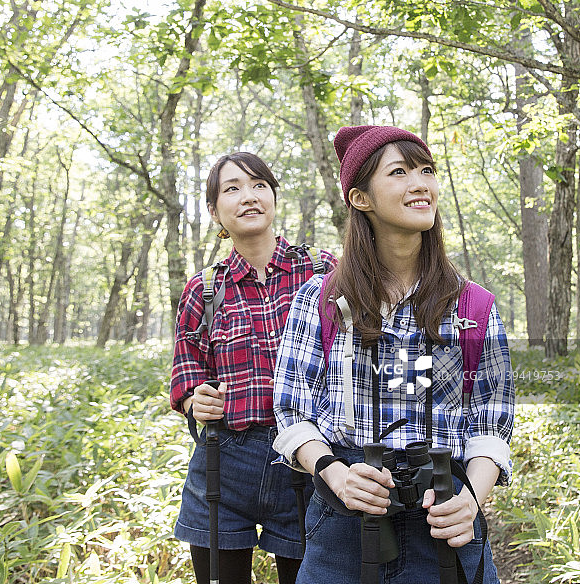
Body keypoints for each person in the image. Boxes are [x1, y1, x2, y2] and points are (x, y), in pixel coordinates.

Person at [273, 125, 514, 584]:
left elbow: (492, 420)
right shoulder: (322, 299)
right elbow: (291, 412)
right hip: (345, 522)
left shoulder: (472, 305)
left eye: (427, 171)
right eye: (399, 172)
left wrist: (470, 501)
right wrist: (336, 474)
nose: (420, 184)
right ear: (360, 198)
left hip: (444, 516)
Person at [170, 151, 337, 584]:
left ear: (274, 198)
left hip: (308, 460)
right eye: (233, 189)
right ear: (214, 211)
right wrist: (195, 400)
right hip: (224, 463)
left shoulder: (323, 272)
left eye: (259, 185)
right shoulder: (205, 288)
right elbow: (187, 372)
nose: (248, 196)